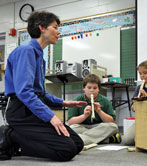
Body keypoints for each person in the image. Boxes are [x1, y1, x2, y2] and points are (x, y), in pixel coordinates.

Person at [0, 11, 86, 161]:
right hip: (21, 113)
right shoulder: (26, 51)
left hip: (33, 109)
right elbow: (25, 93)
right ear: (42, 28)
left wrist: (64, 102)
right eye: (55, 27)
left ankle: (19, 138)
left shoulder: (39, 56)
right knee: (66, 150)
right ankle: (12, 137)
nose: (58, 32)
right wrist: (51, 117)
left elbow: (41, 94)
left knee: (77, 144)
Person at [67, 74, 121, 146]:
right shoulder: (77, 100)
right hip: (82, 126)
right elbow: (70, 122)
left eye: (95, 88)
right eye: (89, 88)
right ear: (84, 88)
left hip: (98, 126)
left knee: (113, 127)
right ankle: (106, 139)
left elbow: (112, 121)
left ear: (98, 89)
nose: (92, 90)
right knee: (71, 128)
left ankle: (81, 139)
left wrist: (99, 111)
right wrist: (84, 116)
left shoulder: (105, 100)